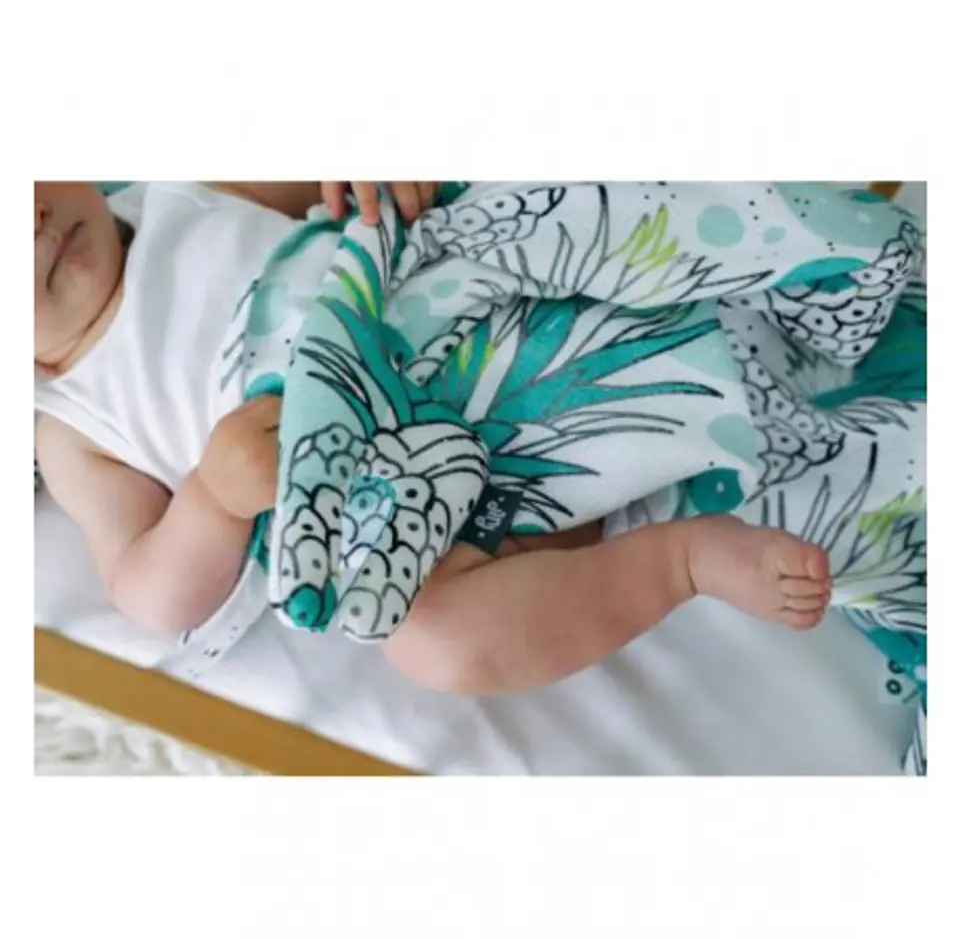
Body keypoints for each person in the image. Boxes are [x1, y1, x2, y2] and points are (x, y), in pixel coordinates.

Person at [34, 181, 831, 697]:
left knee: (540, 205)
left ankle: (775, 267)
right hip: (415, 505)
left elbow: (337, 182)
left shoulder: (181, 190)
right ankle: (678, 561)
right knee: (435, 641)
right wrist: (213, 498)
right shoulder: (72, 425)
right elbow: (148, 592)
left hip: (460, 324)